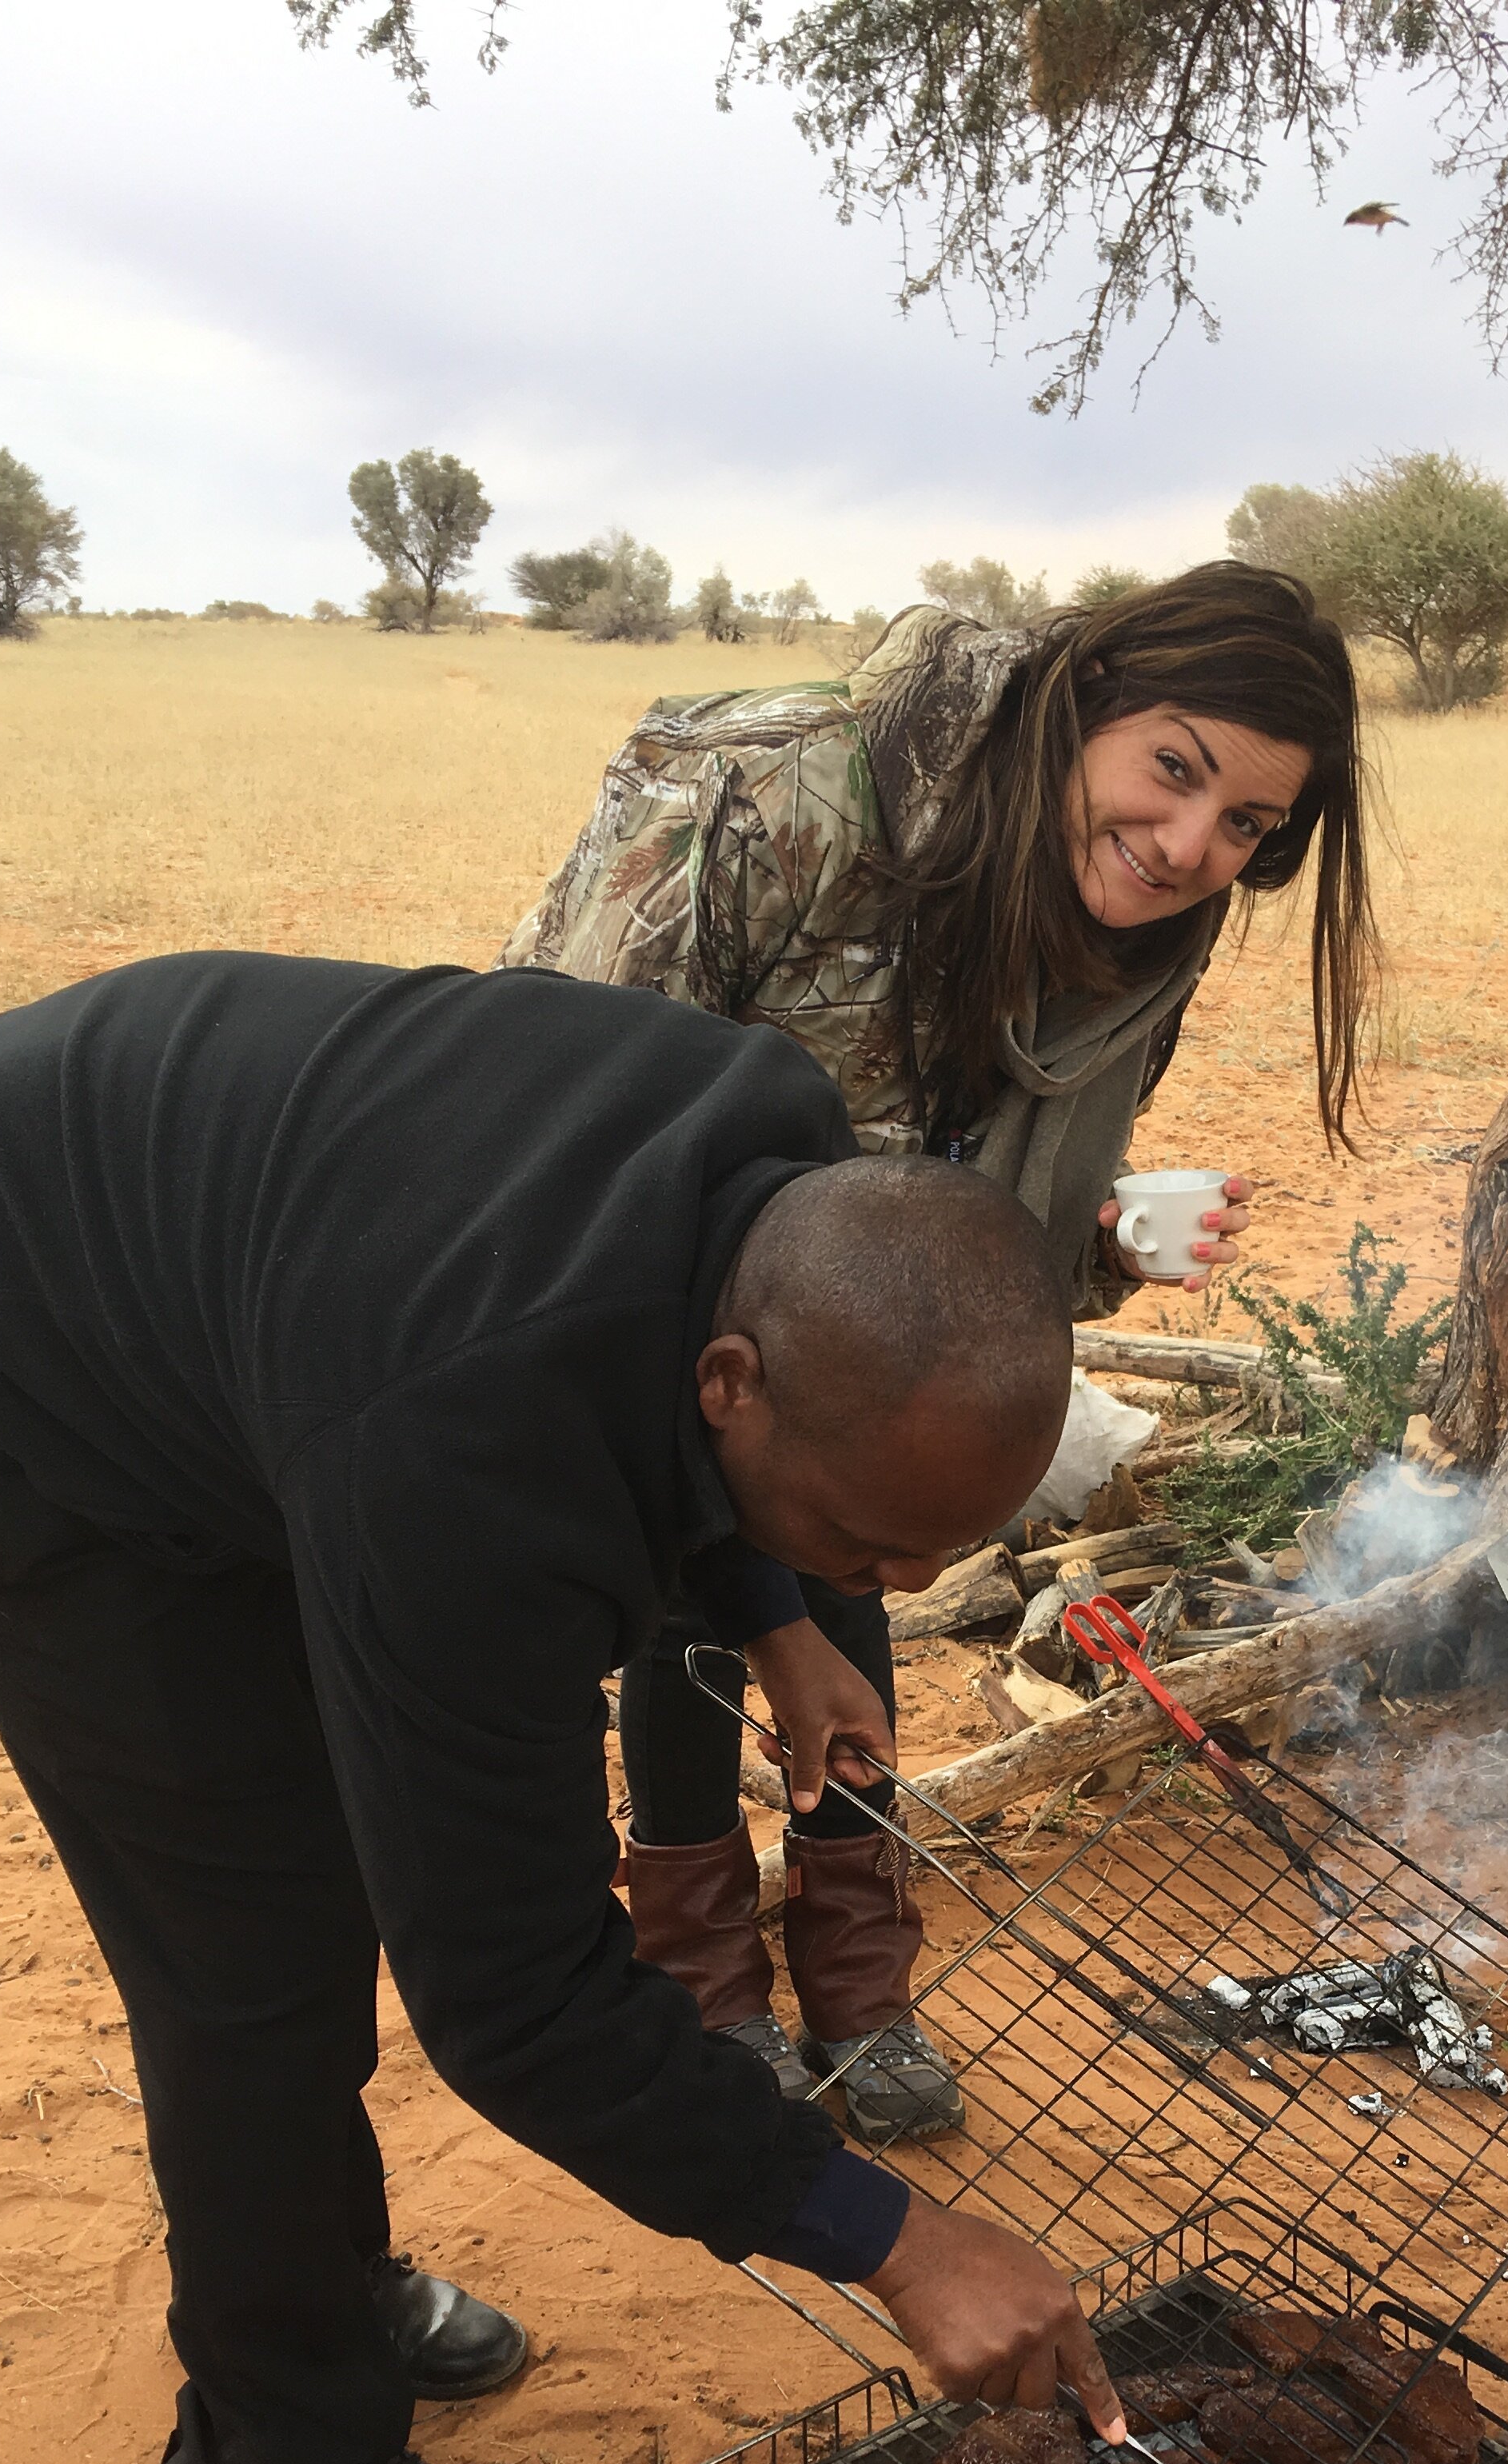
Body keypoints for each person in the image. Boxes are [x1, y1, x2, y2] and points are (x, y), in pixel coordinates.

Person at [0, 952, 1127, 2464]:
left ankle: (327, 2282)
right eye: (868, 1544)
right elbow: (518, 1998)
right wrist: (891, 2236)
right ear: (738, 1385)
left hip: (263, 1302)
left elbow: (652, 1410)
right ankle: (277, 2444)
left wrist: (786, 1617)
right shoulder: (464, 1446)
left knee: (329, 1845)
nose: (890, 1580)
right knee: (246, 1929)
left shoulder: (789, 1173)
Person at [504, 563, 1376, 2149]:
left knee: (852, 1568)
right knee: (692, 1603)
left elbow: (959, 1234)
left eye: (1247, 825)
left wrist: (1101, 1246)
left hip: (844, 1316)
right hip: (618, 1262)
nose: (1192, 849)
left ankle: (856, 1982)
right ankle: (704, 1993)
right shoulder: (780, 803)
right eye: (1173, 769)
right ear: (1084, 701)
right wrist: (765, 1604)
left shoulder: (1133, 950)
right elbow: (564, 1147)